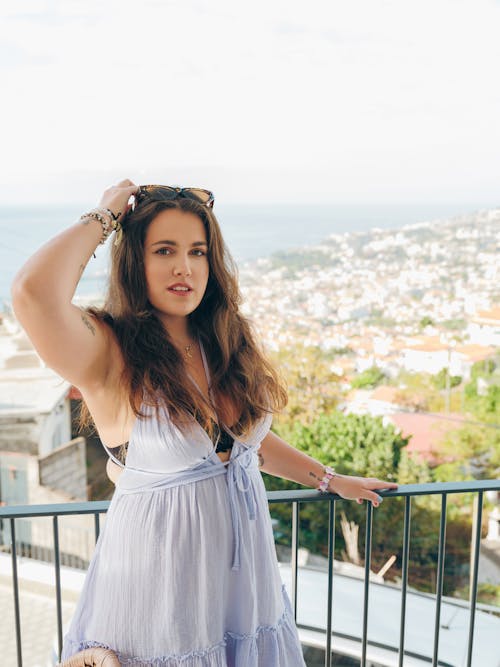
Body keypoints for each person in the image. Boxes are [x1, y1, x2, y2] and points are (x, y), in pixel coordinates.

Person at [11, 179, 397, 666]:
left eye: (197, 251)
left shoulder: (222, 341)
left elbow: (245, 445)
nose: (184, 267)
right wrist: (106, 216)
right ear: (136, 261)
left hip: (242, 586)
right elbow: (33, 294)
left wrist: (327, 478)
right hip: (157, 599)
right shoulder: (109, 353)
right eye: (164, 250)